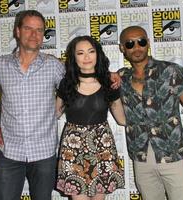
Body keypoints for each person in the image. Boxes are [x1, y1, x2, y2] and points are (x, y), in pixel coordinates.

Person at [0, 10, 65, 200]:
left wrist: (109, 76)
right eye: (28, 28)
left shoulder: (54, 66)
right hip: (10, 151)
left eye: (39, 30)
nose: (34, 34)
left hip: (44, 151)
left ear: (43, 35)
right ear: (17, 31)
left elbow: (75, 90)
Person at [117, 26, 183, 200]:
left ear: (148, 43)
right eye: (130, 43)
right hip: (141, 157)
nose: (136, 47)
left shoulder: (171, 71)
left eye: (141, 41)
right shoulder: (121, 78)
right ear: (122, 48)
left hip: (174, 155)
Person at [55, 35, 125, 200]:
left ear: (98, 54)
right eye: (80, 53)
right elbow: (55, 113)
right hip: (73, 149)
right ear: (74, 58)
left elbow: (122, 119)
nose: (86, 57)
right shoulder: (66, 84)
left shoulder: (110, 82)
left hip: (102, 147)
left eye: (91, 51)